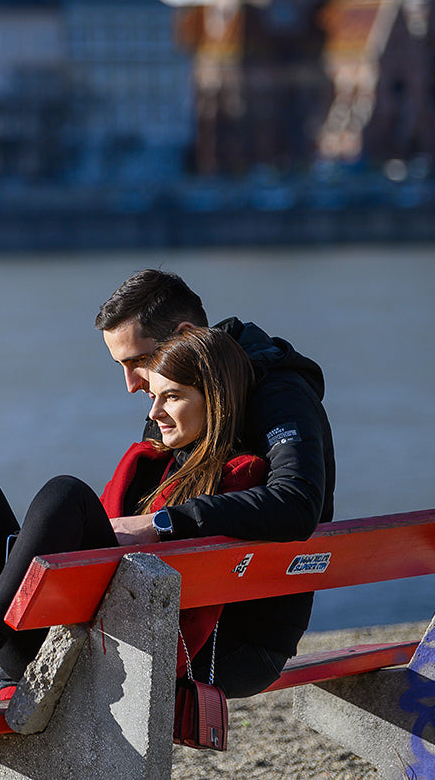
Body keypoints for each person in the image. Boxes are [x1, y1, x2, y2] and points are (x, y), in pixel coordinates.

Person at [0, 327, 268, 718]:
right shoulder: (146, 461)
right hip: (49, 634)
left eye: (172, 397)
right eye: (154, 397)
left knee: (66, 493)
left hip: (118, 658)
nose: (155, 411)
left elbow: (196, 607)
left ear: (214, 400)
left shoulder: (237, 478)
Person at [96, 268, 336, 695]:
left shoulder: (278, 391)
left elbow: (298, 501)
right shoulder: (175, 403)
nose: (133, 385)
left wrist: (165, 522)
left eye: (138, 362)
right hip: (177, 612)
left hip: (237, 637)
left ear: (184, 333)